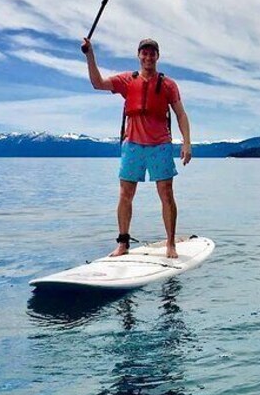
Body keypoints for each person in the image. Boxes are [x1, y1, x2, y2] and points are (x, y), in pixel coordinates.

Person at [82, 36, 192, 258]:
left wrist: (186, 142)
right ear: (139, 55)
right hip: (132, 145)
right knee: (125, 194)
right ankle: (123, 244)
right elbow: (97, 83)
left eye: (152, 53)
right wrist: (90, 55)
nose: (148, 56)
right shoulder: (127, 80)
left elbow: (181, 114)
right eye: (145, 52)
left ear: (157, 57)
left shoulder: (168, 84)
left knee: (166, 194)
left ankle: (171, 244)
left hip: (160, 145)